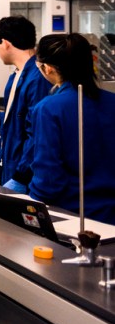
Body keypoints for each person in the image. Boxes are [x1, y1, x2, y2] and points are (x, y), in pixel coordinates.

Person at [27, 34, 115, 223]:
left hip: (73, 216)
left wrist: (31, 206)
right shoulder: (112, 101)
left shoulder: (49, 108)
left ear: (48, 68)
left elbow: (49, 180)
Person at [0, 16, 49, 192]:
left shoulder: (37, 78)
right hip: (8, 163)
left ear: (5, 43)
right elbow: (13, 121)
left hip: (25, 173)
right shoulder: (17, 76)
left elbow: (36, 133)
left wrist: (21, 176)